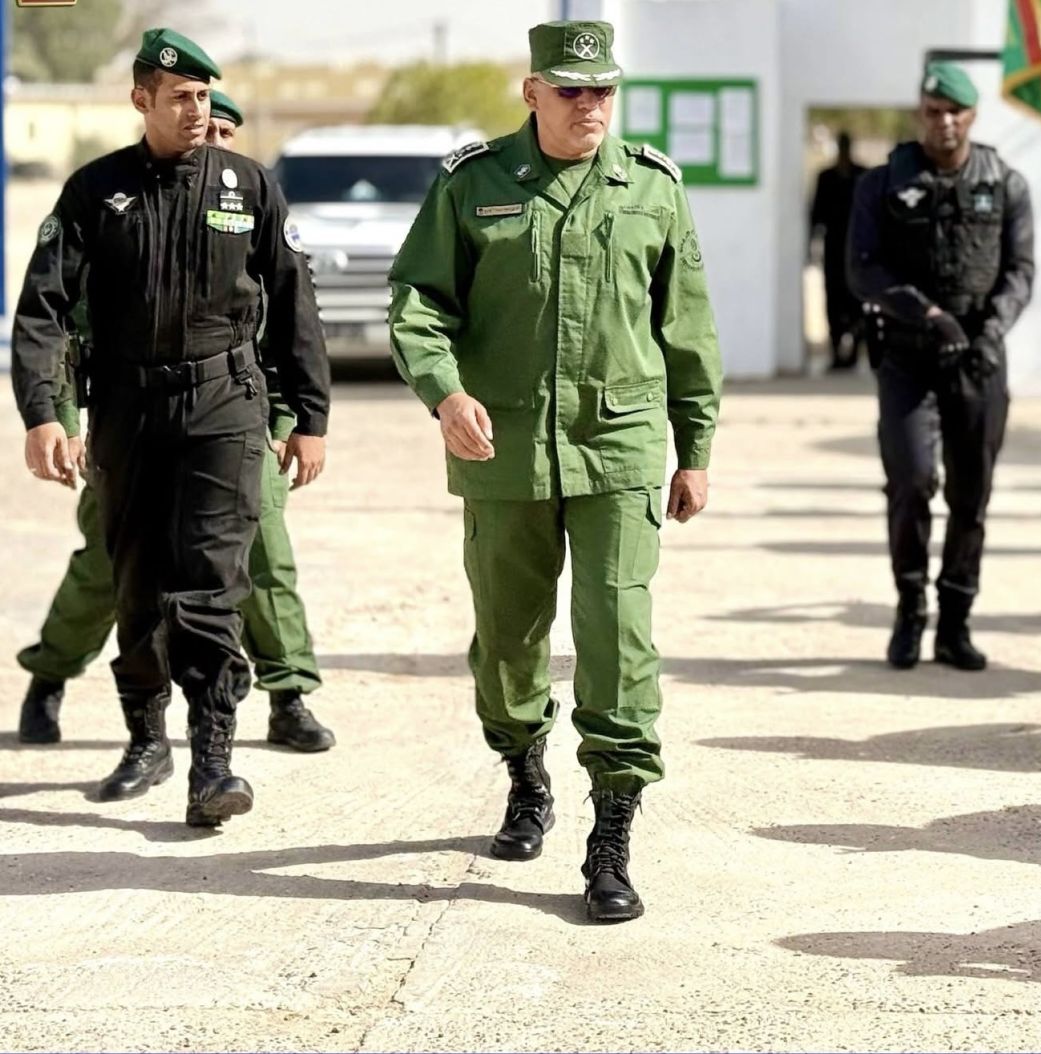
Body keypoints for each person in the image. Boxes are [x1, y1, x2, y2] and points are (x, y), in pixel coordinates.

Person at [388, 20, 722, 922]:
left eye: (603, 90)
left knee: (617, 634)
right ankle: (525, 772)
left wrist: (695, 449)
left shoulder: (652, 188)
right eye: (571, 90)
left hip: (619, 448)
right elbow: (418, 303)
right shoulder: (473, 185)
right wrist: (445, 393)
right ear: (531, 91)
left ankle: (611, 833)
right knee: (507, 638)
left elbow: (687, 329)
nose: (590, 106)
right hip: (505, 450)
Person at [10, 30, 330, 827]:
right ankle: (146, 740)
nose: (195, 111)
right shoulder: (96, 191)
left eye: (203, 97)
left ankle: (213, 762)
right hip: (127, 410)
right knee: (135, 585)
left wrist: (309, 417)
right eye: (180, 97)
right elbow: (44, 310)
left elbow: (295, 305)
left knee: (212, 584)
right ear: (141, 100)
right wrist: (44, 413)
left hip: (225, 405)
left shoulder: (248, 186)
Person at [847, 62, 1034, 673]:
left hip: (979, 357)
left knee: (971, 493)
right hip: (908, 355)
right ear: (920, 114)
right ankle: (910, 611)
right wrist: (926, 314)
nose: (944, 122)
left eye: (955, 112)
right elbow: (863, 270)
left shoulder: (1005, 183)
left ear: (972, 117)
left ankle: (956, 622)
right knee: (912, 480)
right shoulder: (881, 183)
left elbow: (1020, 271)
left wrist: (991, 329)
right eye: (933, 111)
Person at [810, 131, 866, 371]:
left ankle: (853, 352)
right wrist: (811, 247)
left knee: (857, 302)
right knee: (833, 302)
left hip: (858, 249)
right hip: (833, 249)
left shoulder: (862, 175)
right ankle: (836, 352)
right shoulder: (826, 177)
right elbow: (816, 215)